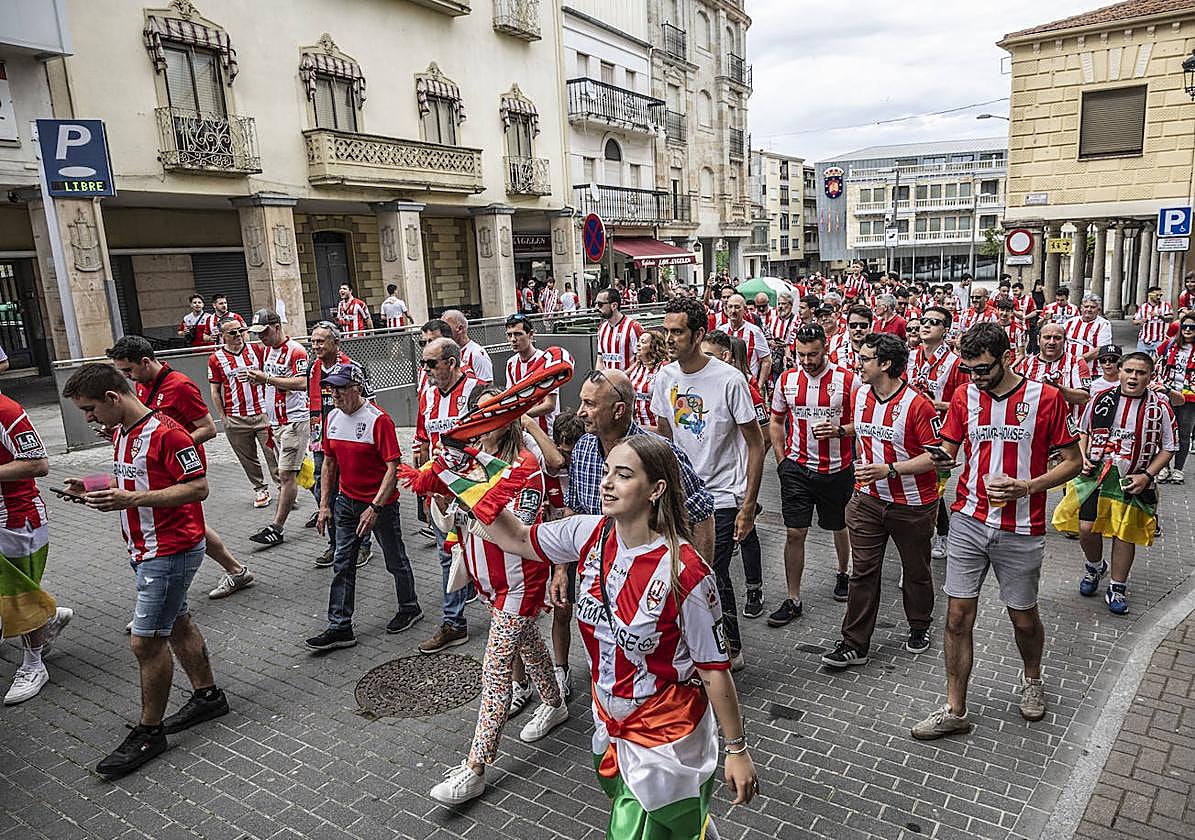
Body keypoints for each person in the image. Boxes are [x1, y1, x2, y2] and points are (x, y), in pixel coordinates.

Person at [472, 434, 758, 836]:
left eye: (623, 475)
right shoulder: (589, 534)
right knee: (671, 827)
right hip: (607, 720)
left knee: (634, 829)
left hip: (667, 731)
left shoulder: (686, 573)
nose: (606, 483)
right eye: (607, 472)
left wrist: (737, 750)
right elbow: (517, 538)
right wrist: (465, 485)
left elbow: (713, 669)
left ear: (656, 490)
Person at [911, 323, 1082, 741]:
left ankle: (1032, 678)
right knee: (956, 617)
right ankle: (955, 708)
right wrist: (932, 455)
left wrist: (1028, 486)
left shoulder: (1046, 397)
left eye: (983, 368)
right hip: (969, 519)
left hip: (1022, 526)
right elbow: (949, 453)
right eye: (969, 369)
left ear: (1006, 356)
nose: (976, 378)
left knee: (1022, 618)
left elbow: (1073, 462)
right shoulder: (962, 396)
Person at [62, 363, 228, 778]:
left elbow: (198, 488)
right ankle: (208, 697)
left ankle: (150, 732)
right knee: (177, 624)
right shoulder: (121, 431)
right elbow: (130, 478)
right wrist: (91, 486)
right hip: (147, 549)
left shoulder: (168, 433)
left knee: (144, 643)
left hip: (169, 551)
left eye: (89, 409)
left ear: (114, 399)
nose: (87, 418)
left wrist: (132, 502)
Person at [427, 388, 567, 806]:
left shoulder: (527, 467)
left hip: (520, 585)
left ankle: (475, 767)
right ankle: (555, 703)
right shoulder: (471, 462)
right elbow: (452, 521)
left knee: (495, 670)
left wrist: (470, 506)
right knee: (529, 643)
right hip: (489, 583)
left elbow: (519, 534)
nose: (474, 428)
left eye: (483, 420)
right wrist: (443, 498)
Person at [566, 368, 716, 693]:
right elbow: (574, 512)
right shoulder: (581, 451)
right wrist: (561, 572)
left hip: (654, 596)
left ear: (618, 411)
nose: (580, 412)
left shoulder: (661, 453)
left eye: (590, 404)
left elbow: (702, 512)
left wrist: (696, 585)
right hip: (602, 588)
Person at [652, 298, 764, 669]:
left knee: (710, 573)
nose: (669, 339)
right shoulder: (664, 378)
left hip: (721, 497)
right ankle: (694, 643)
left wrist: (748, 505)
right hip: (678, 497)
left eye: (678, 331)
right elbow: (665, 439)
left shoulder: (730, 381)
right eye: (666, 331)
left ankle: (729, 648)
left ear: (699, 334)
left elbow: (756, 444)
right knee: (681, 572)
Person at [822, 333, 940, 668]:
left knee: (916, 570)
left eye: (865, 358)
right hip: (868, 501)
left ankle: (919, 625)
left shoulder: (919, 405)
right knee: (863, 572)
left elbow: (935, 457)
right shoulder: (860, 394)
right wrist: (840, 432)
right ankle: (854, 644)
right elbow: (862, 429)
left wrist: (889, 469)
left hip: (912, 506)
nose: (858, 363)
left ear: (885, 364)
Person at [106, 336, 255, 601]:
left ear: (145, 361)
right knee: (191, 525)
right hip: (156, 467)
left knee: (187, 526)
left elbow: (208, 428)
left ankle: (163, 595)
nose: (127, 377)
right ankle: (233, 571)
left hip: (179, 469)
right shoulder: (141, 385)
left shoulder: (180, 385)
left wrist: (170, 445)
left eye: (128, 370)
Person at [306, 362, 421, 650]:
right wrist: (324, 505)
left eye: (342, 388)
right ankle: (340, 626)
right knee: (343, 562)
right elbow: (329, 463)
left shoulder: (377, 420)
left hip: (380, 506)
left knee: (395, 560)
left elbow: (393, 468)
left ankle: (409, 607)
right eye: (332, 389)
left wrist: (376, 508)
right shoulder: (332, 418)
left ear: (357, 387)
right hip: (346, 502)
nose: (336, 394)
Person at [1053, 352, 1176, 615]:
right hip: (1096, 476)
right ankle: (1095, 568)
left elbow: (1168, 447)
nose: (1134, 377)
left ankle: (1117, 587)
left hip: (1133, 478)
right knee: (1086, 529)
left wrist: (1147, 476)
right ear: (1119, 371)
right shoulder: (1100, 399)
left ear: (1150, 376)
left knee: (1124, 533)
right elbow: (1083, 431)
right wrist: (1083, 456)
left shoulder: (1159, 407)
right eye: (1129, 371)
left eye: (1141, 373)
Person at [768, 323, 856, 625]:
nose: (806, 361)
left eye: (813, 354)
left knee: (838, 526)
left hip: (837, 469)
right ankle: (793, 598)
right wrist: (781, 460)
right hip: (796, 469)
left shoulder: (847, 380)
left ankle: (843, 572)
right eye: (801, 354)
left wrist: (840, 431)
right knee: (794, 532)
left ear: (826, 348)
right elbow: (776, 421)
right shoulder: (787, 379)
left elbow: (866, 420)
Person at [0, 392, 71, 705]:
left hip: (16, 518)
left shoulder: (6, 410)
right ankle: (49, 617)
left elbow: (38, 464)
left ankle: (33, 664)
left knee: (21, 595)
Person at [415, 338, 481, 654]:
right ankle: (454, 623)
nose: (424, 369)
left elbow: (487, 443)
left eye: (431, 363)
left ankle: (509, 612)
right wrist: (427, 486)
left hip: (474, 492)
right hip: (440, 495)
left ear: (451, 363)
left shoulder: (476, 392)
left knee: (485, 553)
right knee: (448, 556)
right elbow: (421, 440)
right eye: (423, 362)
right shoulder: (427, 394)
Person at [240, 310, 310, 547]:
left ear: (277, 326)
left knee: (287, 474)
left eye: (265, 332)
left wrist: (267, 379)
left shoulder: (296, 350)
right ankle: (328, 505)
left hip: (294, 421)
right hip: (277, 422)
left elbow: (302, 382)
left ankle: (276, 527)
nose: (262, 338)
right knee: (305, 470)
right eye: (258, 334)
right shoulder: (269, 350)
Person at [305, 322, 372, 569]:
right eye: (313, 341)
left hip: (350, 438)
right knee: (323, 491)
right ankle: (335, 543)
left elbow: (370, 402)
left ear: (336, 342)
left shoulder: (352, 368)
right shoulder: (313, 369)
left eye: (321, 341)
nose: (316, 346)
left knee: (354, 491)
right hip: (321, 439)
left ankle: (363, 544)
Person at [909, 305, 967, 560]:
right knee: (918, 481)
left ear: (945, 330)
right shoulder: (910, 357)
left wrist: (936, 405)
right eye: (924, 320)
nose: (926, 325)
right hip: (910, 430)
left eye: (934, 322)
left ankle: (942, 534)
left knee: (935, 486)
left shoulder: (955, 363)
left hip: (941, 434)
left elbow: (965, 401)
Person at [207, 316, 278, 510]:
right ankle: (260, 488)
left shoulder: (257, 350)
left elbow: (271, 377)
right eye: (232, 332)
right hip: (236, 417)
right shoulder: (216, 359)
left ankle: (284, 487)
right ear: (222, 336)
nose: (238, 335)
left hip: (263, 413)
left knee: (273, 452)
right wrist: (223, 418)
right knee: (247, 457)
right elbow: (215, 391)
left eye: (240, 330)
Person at [1153, 311, 1195, 484]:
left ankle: (1178, 470)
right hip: (1166, 393)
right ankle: (1163, 467)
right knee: (1164, 432)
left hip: (1190, 399)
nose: (1188, 330)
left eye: (1192, 327)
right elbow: (1153, 360)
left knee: (1184, 433)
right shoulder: (1169, 344)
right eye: (1184, 326)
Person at [1018, 322, 1091, 414]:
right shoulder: (1026, 364)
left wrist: (1057, 388)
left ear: (1065, 341)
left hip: (1067, 424)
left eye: (1057, 338)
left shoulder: (1077, 363)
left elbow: (1084, 398)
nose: (1052, 342)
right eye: (1047, 337)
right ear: (1038, 340)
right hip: (1035, 423)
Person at [722, 293, 772, 385]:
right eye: (730, 307)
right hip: (725, 383)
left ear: (745, 309)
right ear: (726, 308)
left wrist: (759, 385)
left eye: (737, 307)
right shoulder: (721, 331)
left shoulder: (755, 331)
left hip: (749, 385)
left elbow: (766, 360)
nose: (733, 311)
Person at [594, 287, 644, 372]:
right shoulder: (602, 328)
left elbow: (641, 359)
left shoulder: (633, 327)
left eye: (600, 304)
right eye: (595, 304)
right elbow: (600, 358)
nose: (596, 308)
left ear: (614, 306)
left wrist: (620, 378)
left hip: (629, 382)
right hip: (608, 383)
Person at [626, 328, 667, 429]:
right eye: (638, 341)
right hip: (637, 426)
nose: (638, 344)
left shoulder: (664, 367)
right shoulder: (637, 366)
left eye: (643, 342)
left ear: (653, 346)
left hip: (656, 427)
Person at [442, 309, 494, 385]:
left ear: (460, 329)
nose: (442, 332)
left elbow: (487, 386)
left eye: (445, 328)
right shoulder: (446, 352)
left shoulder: (477, 354)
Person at [1064, 294, 1113, 362]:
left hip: (1091, 368)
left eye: (1092, 307)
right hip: (1067, 365)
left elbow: (1101, 348)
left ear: (1098, 309)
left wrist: (1078, 361)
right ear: (1081, 308)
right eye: (1086, 306)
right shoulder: (1070, 322)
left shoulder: (1103, 324)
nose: (1089, 309)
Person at [830, 305, 872, 373]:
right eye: (853, 325)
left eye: (863, 325)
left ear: (870, 327)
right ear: (847, 327)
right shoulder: (836, 355)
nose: (858, 329)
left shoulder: (879, 354)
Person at [1133, 285, 1173, 356]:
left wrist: (1160, 316)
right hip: (1144, 340)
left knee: (1158, 361)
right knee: (1141, 361)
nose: (1158, 297)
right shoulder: (1143, 307)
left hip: (1159, 340)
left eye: (1160, 295)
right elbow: (1134, 321)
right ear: (1150, 295)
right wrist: (1140, 321)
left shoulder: (1165, 306)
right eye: (1156, 295)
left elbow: (1170, 317)